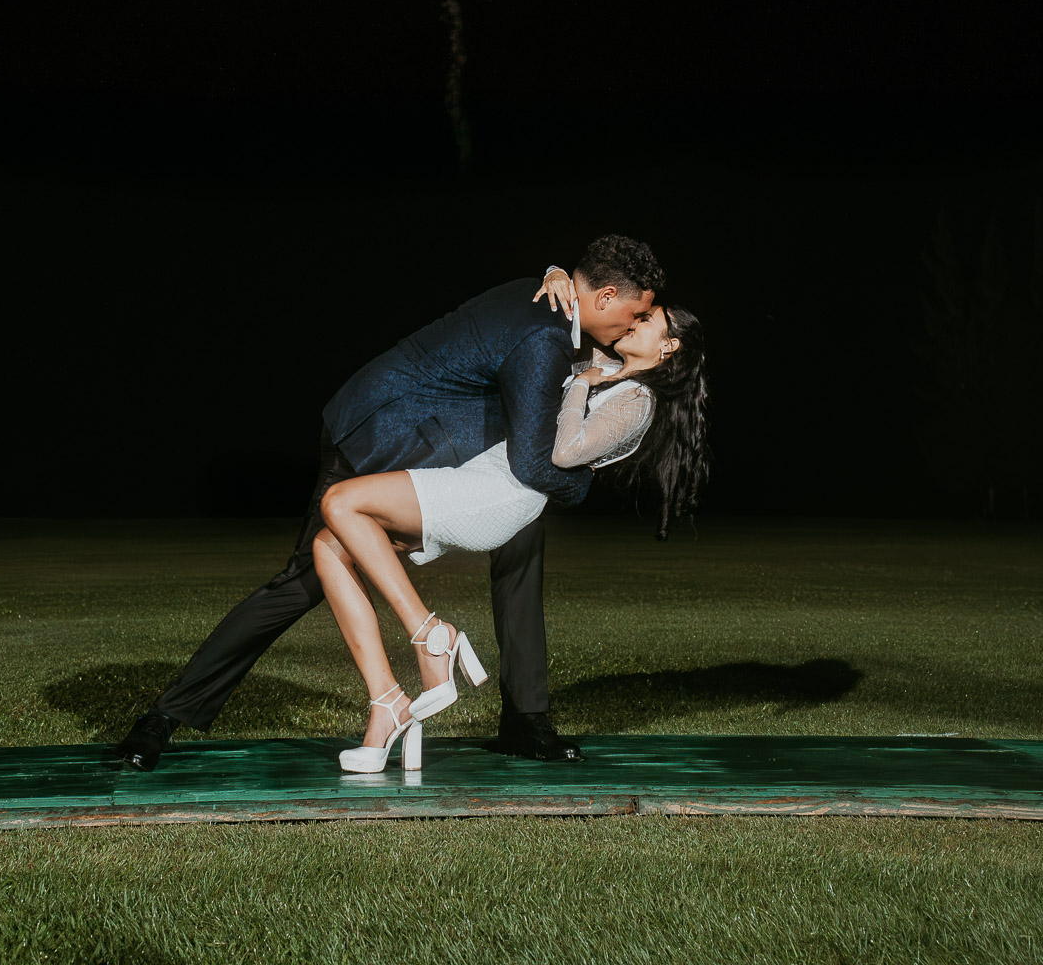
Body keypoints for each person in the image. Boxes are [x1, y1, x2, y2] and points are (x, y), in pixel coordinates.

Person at [110, 235, 663, 771]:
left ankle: (526, 715)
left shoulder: (544, 293)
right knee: (305, 578)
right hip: (386, 433)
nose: (632, 326)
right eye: (635, 315)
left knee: (522, 540)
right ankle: (164, 717)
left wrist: (555, 270)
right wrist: (581, 487)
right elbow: (535, 463)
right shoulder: (545, 330)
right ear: (606, 296)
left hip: (420, 430)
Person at [316, 292, 709, 772]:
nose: (635, 321)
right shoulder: (603, 365)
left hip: (502, 494)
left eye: (648, 320)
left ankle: (431, 635)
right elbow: (557, 328)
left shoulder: (637, 401)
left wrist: (581, 386)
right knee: (330, 544)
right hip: (487, 472)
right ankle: (386, 702)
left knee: (340, 501)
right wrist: (553, 274)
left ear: (668, 348)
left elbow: (565, 453)